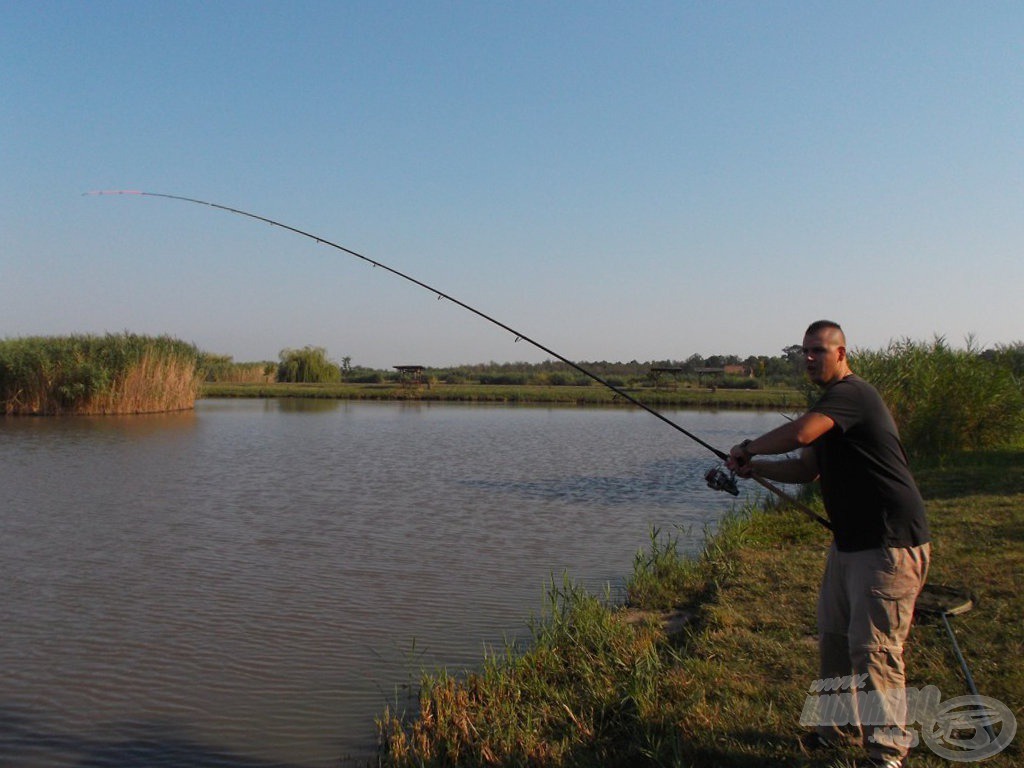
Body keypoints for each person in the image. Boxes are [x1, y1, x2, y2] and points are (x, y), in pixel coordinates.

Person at [727, 320, 930, 768]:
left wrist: (748, 446)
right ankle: (835, 730)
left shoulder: (852, 394)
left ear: (841, 353)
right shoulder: (831, 405)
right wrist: (755, 470)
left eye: (819, 350)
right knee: (836, 639)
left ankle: (887, 752)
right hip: (850, 543)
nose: (810, 358)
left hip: (887, 542)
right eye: (805, 351)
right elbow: (805, 469)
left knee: (874, 648)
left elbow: (799, 433)